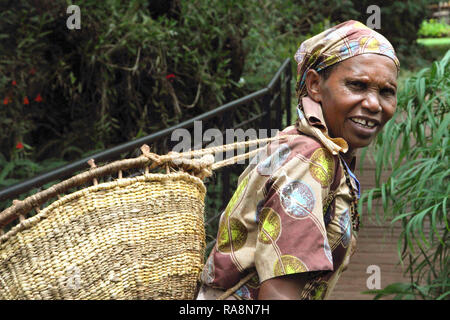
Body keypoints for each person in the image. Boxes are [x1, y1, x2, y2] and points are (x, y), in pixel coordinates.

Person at [197, 20, 399, 300]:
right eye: (357, 85)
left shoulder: (315, 146)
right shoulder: (309, 159)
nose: (375, 104)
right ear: (315, 85)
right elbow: (279, 294)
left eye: (386, 91)